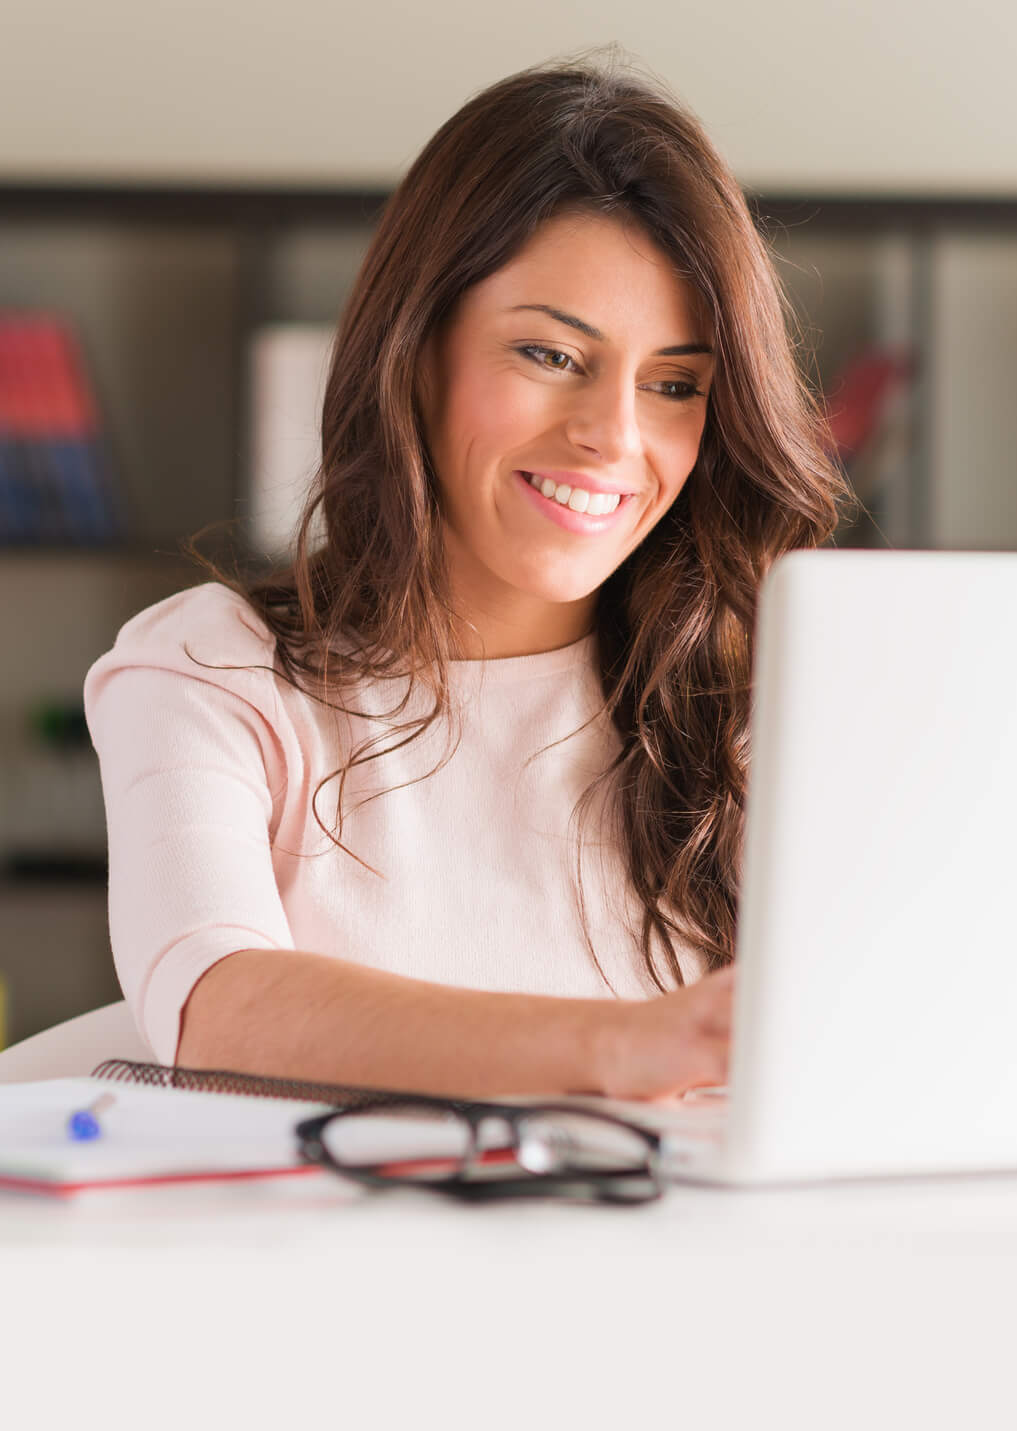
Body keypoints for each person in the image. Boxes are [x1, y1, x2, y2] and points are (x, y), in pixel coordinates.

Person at [82, 57, 846, 1100]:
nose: (612, 438)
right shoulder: (211, 670)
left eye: (674, 384)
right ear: (416, 349)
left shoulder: (755, 701)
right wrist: (619, 1046)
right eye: (550, 355)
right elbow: (216, 1005)